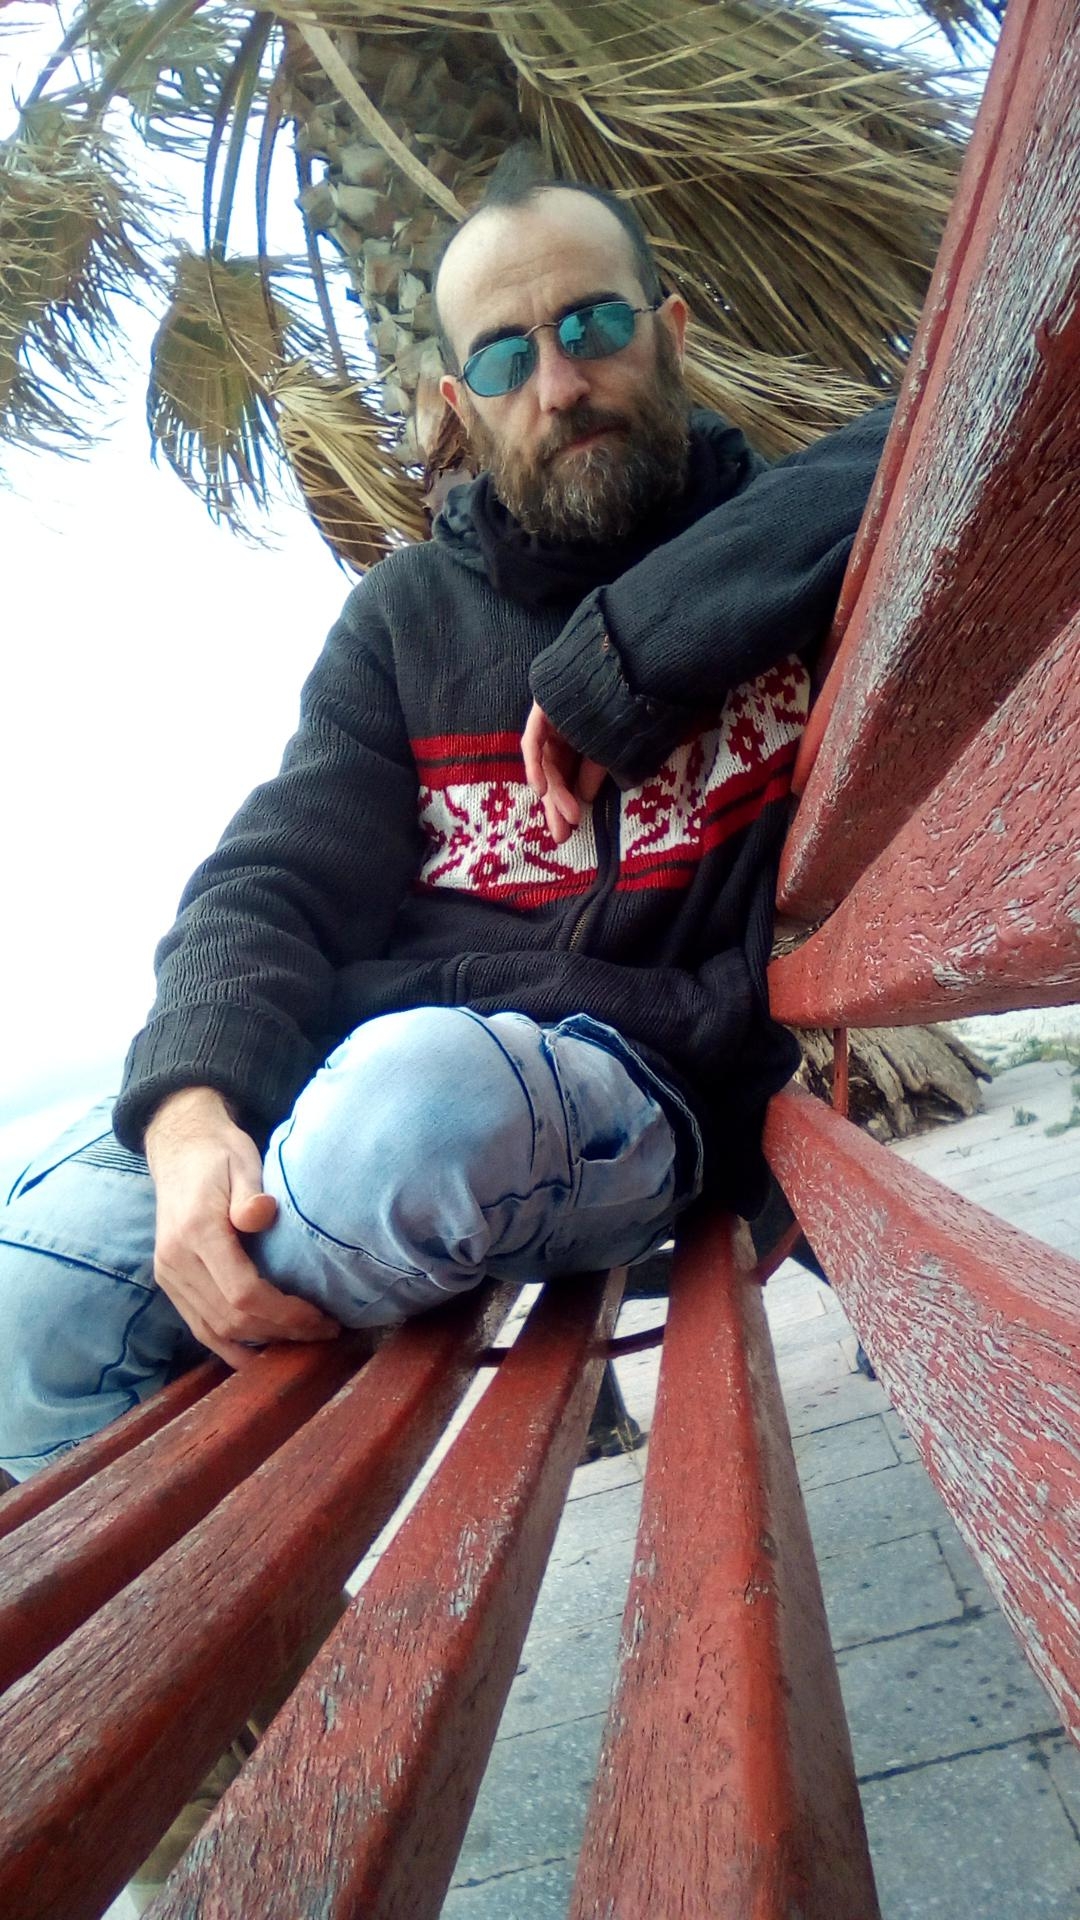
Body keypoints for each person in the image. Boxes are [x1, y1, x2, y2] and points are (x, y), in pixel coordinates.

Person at [0, 156, 892, 1485]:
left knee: (415, 1116)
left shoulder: (795, 551)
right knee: (25, 1313)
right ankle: (287, 1609)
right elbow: (274, 877)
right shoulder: (405, 616)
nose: (560, 383)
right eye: (506, 356)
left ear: (670, 332)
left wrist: (628, 653)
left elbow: (944, 424)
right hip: (349, 1070)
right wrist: (190, 1117)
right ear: (460, 404)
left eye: (594, 324)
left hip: (621, 1080)